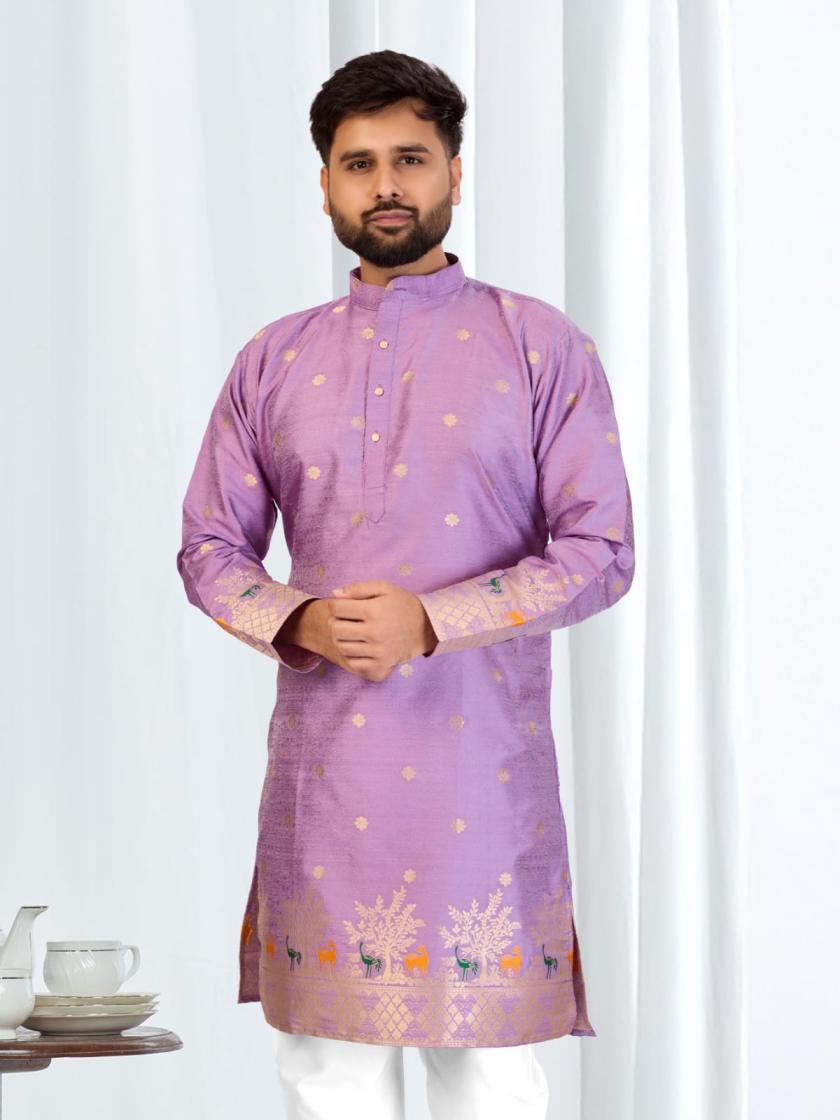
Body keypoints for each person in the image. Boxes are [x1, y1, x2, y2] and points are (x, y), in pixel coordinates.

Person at [176, 48, 635, 1120]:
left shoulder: (539, 344)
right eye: (359, 163)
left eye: (411, 159)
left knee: (489, 1078)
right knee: (326, 1076)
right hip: (324, 785)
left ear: (455, 173)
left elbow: (602, 549)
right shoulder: (272, 359)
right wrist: (299, 618)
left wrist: (434, 620)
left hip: (485, 781)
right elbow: (209, 547)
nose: (386, 184)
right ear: (326, 185)